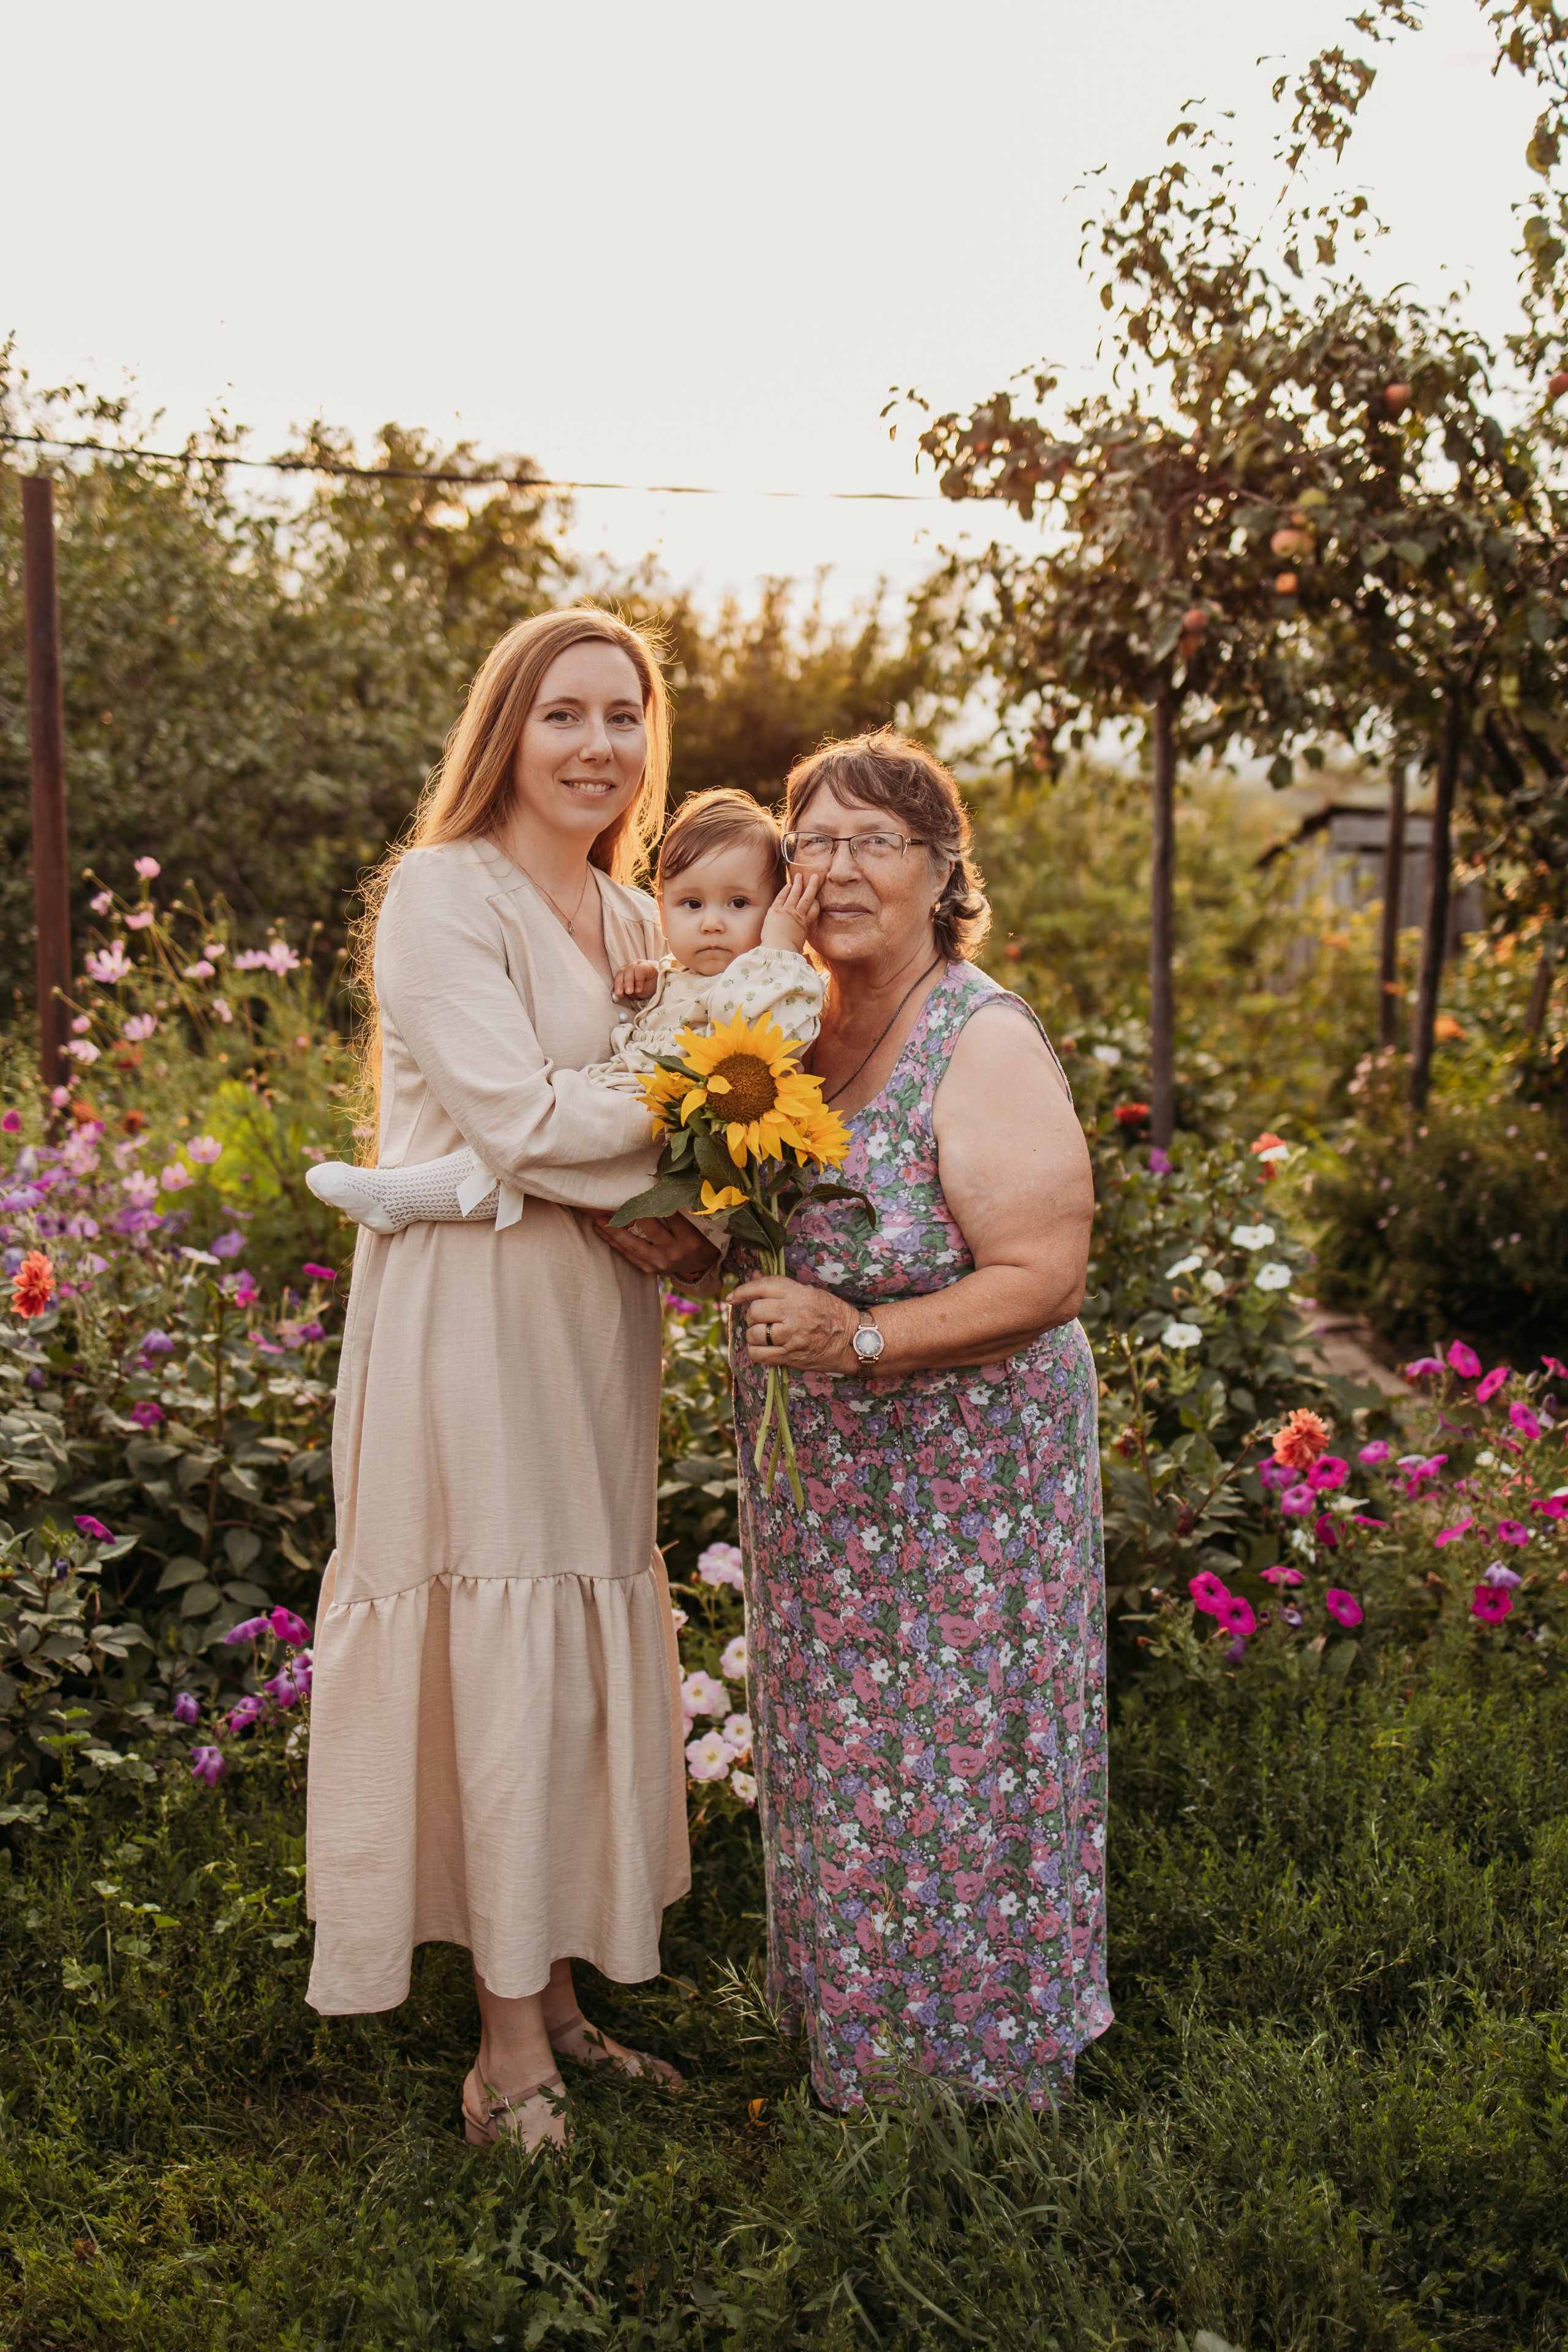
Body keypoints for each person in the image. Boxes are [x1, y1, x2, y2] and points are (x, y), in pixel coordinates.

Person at [598, 728, 1112, 2112]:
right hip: (825, 1487)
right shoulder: (781, 1025)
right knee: (845, 1757)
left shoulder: (978, 1035)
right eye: (810, 840)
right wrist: (688, 1255)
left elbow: (1040, 1275)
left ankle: (989, 2072)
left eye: (870, 843)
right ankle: (859, 2047)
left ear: (942, 872)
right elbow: (773, 1232)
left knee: (962, 1761)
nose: (832, 867)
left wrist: (863, 1338)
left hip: (973, 1485)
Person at [304, 607, 716, 2154]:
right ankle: (498, 2050)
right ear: (507, 731)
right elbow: (519, 1123)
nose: (598, 745)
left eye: (623, 716)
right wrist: (678, 1117)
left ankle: (551, 2003)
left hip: (594, 1319)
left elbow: (625, 1117)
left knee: (567, 1610)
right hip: (468, 1320)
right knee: (493, 1617)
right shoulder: (437, 892)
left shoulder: (627, 917)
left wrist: (697, 1152)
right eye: (564, 715)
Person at [303, 790, 825, 1235]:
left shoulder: (778, 978)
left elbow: (768, 1028)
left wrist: (781, 947)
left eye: (738, 904)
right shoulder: (671, 964)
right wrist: (656, 976)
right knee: (546, 1142)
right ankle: (407, 1196)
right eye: (692, 905)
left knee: (564, 1132)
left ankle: (407, 1197)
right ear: (662, 907)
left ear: (778, 904)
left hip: (694, 1127)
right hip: (627, 1093)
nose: (712, 924)